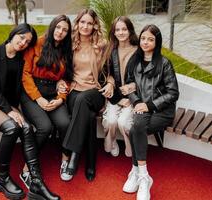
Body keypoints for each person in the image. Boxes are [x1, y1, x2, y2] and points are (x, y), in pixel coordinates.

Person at [0, 24, 60, 200]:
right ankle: (2, 178)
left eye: (28, 41)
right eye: (21, 37)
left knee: (25, 127)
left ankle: (36, 181)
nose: (23, 42)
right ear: (14, 33)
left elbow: (18, 87)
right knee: (11, 127)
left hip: (3, 104)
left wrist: (15, 109)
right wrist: (9, 111)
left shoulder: (20, 59)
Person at [122, 24, 179, 200]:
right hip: (142, 107)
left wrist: (150, 105)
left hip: (161, 110)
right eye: (143, 38)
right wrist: (137, 101)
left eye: (150, 39)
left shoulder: (164, 63)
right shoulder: (135, 61)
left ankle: (137, 172)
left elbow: (173, 93)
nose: (145, 42)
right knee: (137, 127)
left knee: (135, 129)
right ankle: (143, 175)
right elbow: (130, 87)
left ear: (157, 41)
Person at [60, 8, 114, 182]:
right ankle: (90, 163)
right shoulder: (69, 44)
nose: (85, 26)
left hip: (95, 91)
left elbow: (112, 71)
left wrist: (111, 83)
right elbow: (60, 70)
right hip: (74, 90)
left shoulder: (102, 45)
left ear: (94, 25)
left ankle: (71, 153)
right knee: (88, 116)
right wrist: (58, 82)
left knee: (84, 101)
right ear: (77, 23)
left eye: (89, 23)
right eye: (82, 22)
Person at [20, 15, 73, 185]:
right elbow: (26, 73)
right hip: (32, 93)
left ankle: (65, 159)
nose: (61, 32)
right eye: (58, 27)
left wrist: (60, 99)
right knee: (45, 127)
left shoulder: (66, 49)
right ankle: (28, 169)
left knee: (65, 123)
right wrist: (38, 98)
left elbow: (67, 78)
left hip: (53, 94)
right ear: (52, 27)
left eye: (65, 30)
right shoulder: (38, 43)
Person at [102, 16, 138, 157]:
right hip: (114, 95)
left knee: (123, 122)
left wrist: (132, 93)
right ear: (113, 32)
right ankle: (111, 140)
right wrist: (116, 95)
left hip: (132, 96)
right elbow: (106, 74)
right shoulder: (111, 50)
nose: (121, 32)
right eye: (118, 30)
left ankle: (129, 145)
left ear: (130, 31)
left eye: (124, 29)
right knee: (111, 121)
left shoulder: (138, 51)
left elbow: (142, 78)